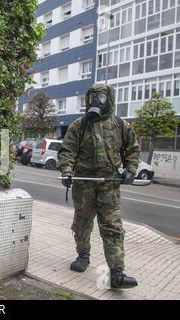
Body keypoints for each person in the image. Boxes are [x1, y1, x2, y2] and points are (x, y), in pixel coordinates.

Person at [57, 84, 140, 289]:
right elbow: (67, 151)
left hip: (109, 185)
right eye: (92, 97)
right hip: (83, 184)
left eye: (101, 97)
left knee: (112, 227)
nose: (96, 102)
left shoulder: (120, 125)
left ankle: (117, 273)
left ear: (109, 99)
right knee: (82, 225)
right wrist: (67, 171)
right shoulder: (79, 125)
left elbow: (132, 149)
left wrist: (130, 169)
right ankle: (83, 256)